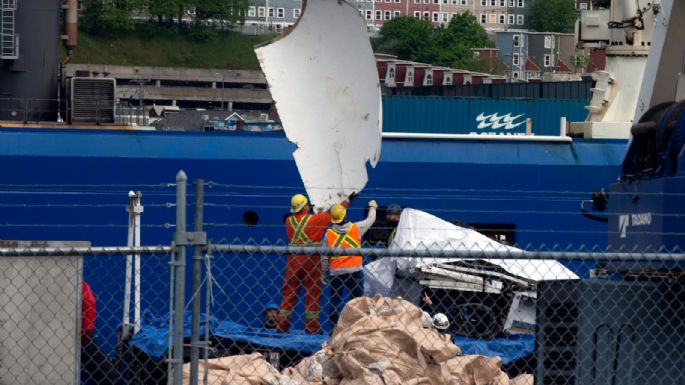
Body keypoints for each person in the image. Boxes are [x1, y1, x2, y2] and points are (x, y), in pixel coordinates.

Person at [277, 193, 350, 334]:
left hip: (293, 261)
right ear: (305, 206)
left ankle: (282, 326)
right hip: (311, 260)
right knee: (312, 293)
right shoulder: (315, 220)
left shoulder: (288, 222)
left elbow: (296, 220)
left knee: (289, 293)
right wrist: (346, 201)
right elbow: (332, 214)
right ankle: (312, 328)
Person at [323, 200, 377, 327]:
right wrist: (373, 207)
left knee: (335, 301)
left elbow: (324, 257)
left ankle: (334, 329)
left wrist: (324, 274)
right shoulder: (356, 228)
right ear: (345, 215)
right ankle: (360, 326)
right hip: (354, 271)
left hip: (336, 273)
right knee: (358, 301)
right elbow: (370, 220)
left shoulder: (329, 234)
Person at [81, 282, 124, 385]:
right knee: (115, 380)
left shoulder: (81, 287)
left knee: (114, 380)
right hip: (83, 340)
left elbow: (87, 327)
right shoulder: (81, 287)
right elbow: (87, 327)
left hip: (83, 340)